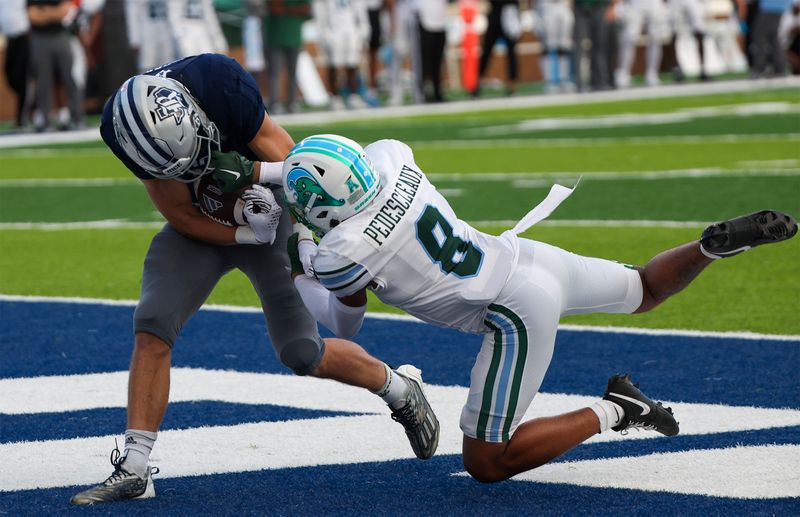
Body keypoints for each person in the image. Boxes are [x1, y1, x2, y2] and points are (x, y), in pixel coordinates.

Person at [280, 134, 797, 482]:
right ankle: (707, 249)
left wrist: (302, 263)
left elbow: (344, 321)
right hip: (526, 256)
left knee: (487, 460)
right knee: (644, 289)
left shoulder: (343, 251)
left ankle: (618, 408)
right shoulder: (392, 158)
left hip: (513, 310)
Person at [69, 55, 439, 505]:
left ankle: (399, 387)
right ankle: (135, 467)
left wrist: (284, 222)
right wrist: (242, 231)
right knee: (153, 322)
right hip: (205, 224)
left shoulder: (217, 82)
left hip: (275, 208)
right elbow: (181, 212)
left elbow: (299, 162)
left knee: (303, 352)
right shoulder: (126, 128)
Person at [26, 0, 84, 131]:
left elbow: (64, 11)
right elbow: (33, 16)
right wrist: (54, 12)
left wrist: (44, 12)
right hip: (40, 38)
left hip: (60, 36)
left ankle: (76, 118)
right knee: (43, 81)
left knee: (70, 78)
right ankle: (45, 121)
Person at [313, 0, 370, 109]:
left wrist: (363, 27)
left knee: (352, 64)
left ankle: (354, 96)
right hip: (334, 28)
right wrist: (323, 31)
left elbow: (359, 8)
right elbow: (320, 8)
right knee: (333, 65)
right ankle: (335, 98)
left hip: (350, 28)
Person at [265, 0, 312, 114]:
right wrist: (294, 10)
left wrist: (286, 9)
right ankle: (274, 102)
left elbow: (306, 9)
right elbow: (275, 8)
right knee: (274, 73)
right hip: (275, 38)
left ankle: (291, 102)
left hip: (293, 37)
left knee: (292, 73)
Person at [615, 0, 669, 87]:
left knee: (655, 37)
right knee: (629, 37)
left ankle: (652, 74)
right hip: (636, 3)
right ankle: (623, 74)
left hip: (653, 3)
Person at [476, 0, 525, 96]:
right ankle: (478, 82)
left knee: (511, 52)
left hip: (510, 14)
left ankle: (512, 84)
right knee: (487, 50)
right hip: (496, 13)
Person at [0, 0, 30, 128]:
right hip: (9, 38)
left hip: (24, 37)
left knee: (22, 78)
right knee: (11, 76)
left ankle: (22, 117)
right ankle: (27, 106)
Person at [573, 0, 615, 91]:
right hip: (581, 7)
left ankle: (600, 81)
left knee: (600, 45)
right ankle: (578, 83)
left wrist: (611, 6)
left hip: (600, 6)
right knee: (579, 47)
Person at [535, 0, 576, 92]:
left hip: (563, 4)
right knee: (547, 45)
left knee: (564, 44)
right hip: (546, 5)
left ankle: (563, 79)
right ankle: (549, 81)